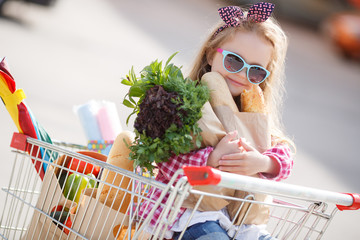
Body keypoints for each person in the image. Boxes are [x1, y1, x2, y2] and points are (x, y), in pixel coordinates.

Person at [139, 2, 295, 239]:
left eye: (255, 71)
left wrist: (263, 163)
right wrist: (211, 158)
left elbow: (284, 155)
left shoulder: (255, 114)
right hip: (188, 215)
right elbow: (166, 164)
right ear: (212, 54)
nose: (242, 74)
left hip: (241, 223)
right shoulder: (182, 103)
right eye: (234, 61)